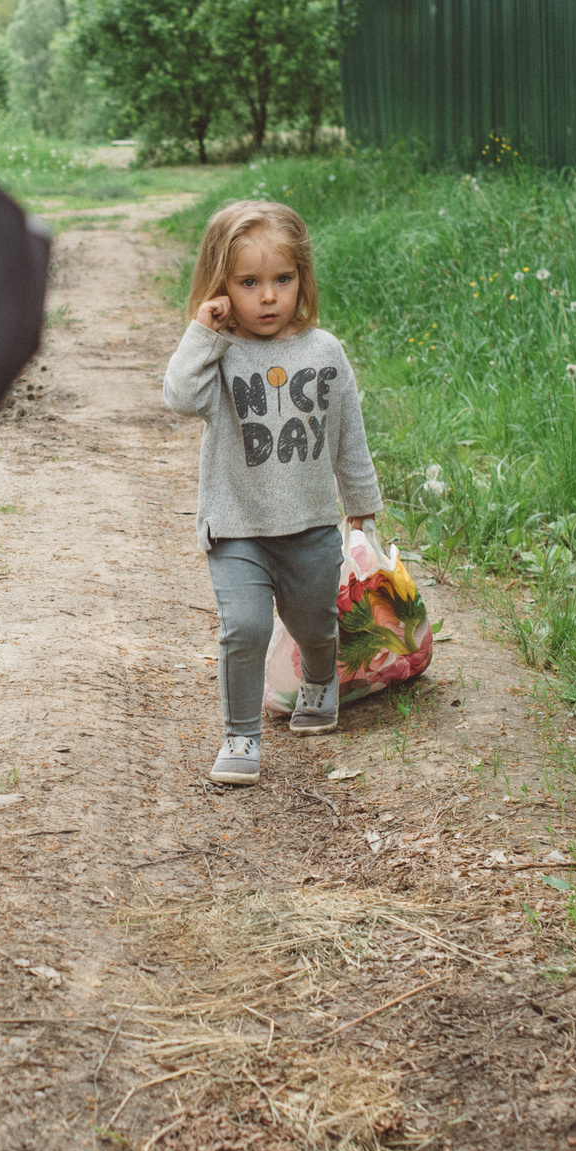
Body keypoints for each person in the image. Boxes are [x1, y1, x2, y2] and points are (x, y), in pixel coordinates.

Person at [163, 202, 382, 787]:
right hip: (235, 527)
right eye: (248, 283)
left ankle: (319, 680)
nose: (266, 297)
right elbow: (180, 397)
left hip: (309, 526)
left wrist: (361, 507)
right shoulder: (219, 354)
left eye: (281, 280)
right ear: (221, 285)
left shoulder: (324, 352)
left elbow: (347, 438)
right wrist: (203, 331)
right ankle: (241, 733)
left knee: (314, 624)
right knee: (246, 627)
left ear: (302, 279)